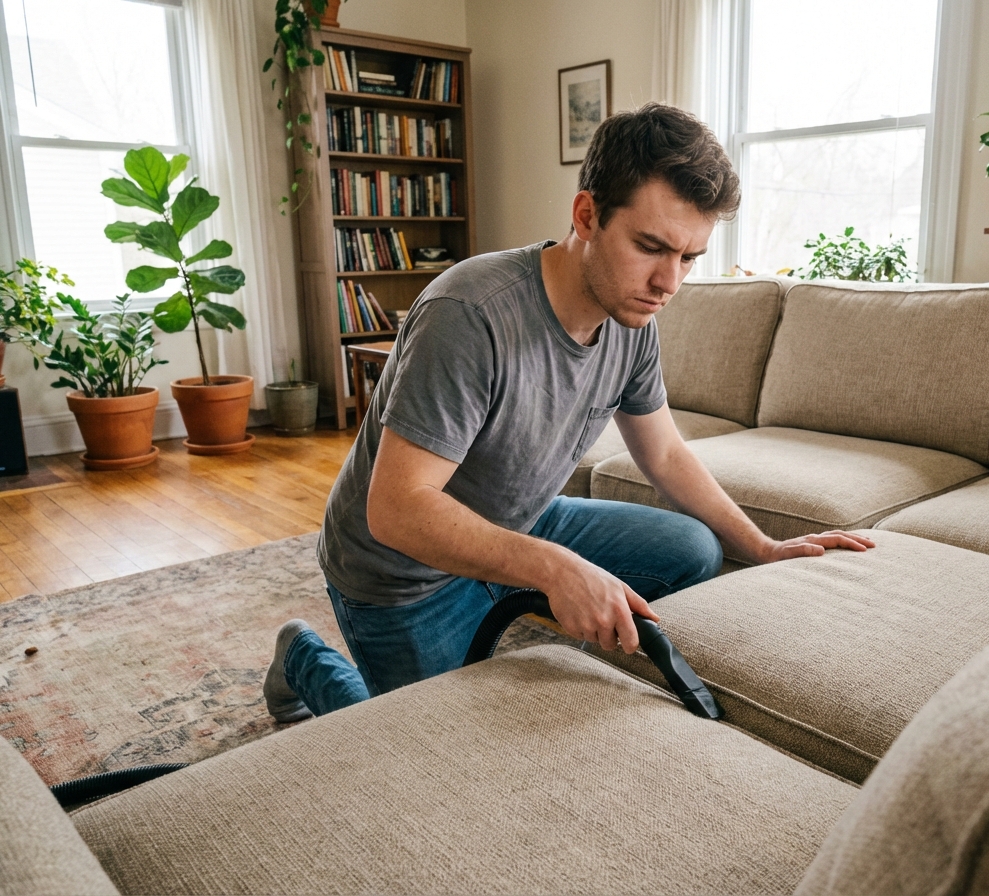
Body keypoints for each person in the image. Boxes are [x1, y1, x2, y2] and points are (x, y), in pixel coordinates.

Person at [264, 103, 874, 723]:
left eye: (689, 257)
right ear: (586, 216)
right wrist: (556, 569)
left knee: (693, 547)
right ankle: (303, 658)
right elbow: (396, 509)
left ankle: (534, 621)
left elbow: (664, 454)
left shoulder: (633, 319)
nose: (669, 282)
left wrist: (763, 546)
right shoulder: (469, 315)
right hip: (402, 570)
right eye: (651, 247)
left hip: (521, 518)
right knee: (434, 753)